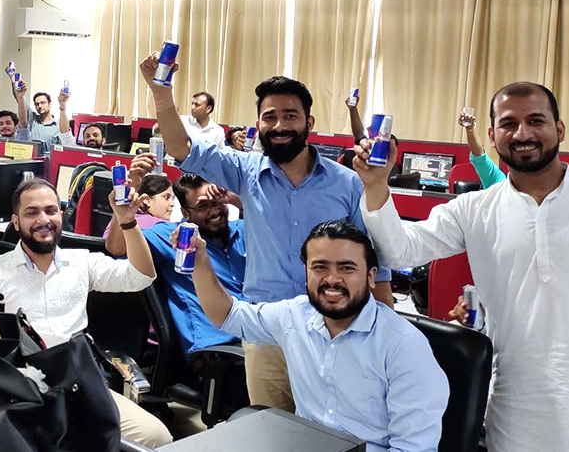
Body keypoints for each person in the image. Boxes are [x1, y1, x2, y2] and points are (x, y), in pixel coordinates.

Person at [355, 82, 569, 451]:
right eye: (509, 124)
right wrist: (376, 186)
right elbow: (400, 251)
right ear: (492, 136)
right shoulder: (473, 210)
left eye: (536, 120)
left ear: (559, 129)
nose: (523, 134)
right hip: (519, 408)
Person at [139, 52, 393, 411]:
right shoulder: (245, 171)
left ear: (309, 122)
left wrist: (384, 331)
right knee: (271, 429)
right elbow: (183, 148)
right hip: (265, 332)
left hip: (332, 330)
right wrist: (161, 93)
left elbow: (375, 263)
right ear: (258, 124)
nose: (279, 125)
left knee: (330, 432)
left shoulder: (347, 184)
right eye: (270, 117)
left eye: (290, 115)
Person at [191, 220, 448, 452]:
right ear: (306, 272)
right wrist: (200, 261)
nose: (332, 279)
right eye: (320, 267)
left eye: (347, 268)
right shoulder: (294, 315)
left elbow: (413, 449)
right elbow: (228, 314)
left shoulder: (404, 346)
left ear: (371, 276)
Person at [0, 179, 172, 448]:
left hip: (78, 386)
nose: (43, 220)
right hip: (20, 391)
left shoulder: (82, 262)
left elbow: (141, 276)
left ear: (61, 215)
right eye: (32, 212)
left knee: (157, 436)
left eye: (51, 210)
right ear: (16, 222)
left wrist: (127, 222)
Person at [111, 170, 249, 358]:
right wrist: (125, 219)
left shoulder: (241, 230)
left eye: (217, 203)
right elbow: (117, 248)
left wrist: (238, 199)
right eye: (203, 206)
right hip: (218, 350)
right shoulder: (173, 237)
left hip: (257, 334)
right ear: (185, 213)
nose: (214, 211)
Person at [9, 70, 67, 150]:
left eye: (42, 103)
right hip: (31, 156)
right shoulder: (32, 119)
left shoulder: (58, 125)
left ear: (49, 104)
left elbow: (65, 142)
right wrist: (13, 81)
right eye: (36, 104)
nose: (39, 106)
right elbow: (19, 98)